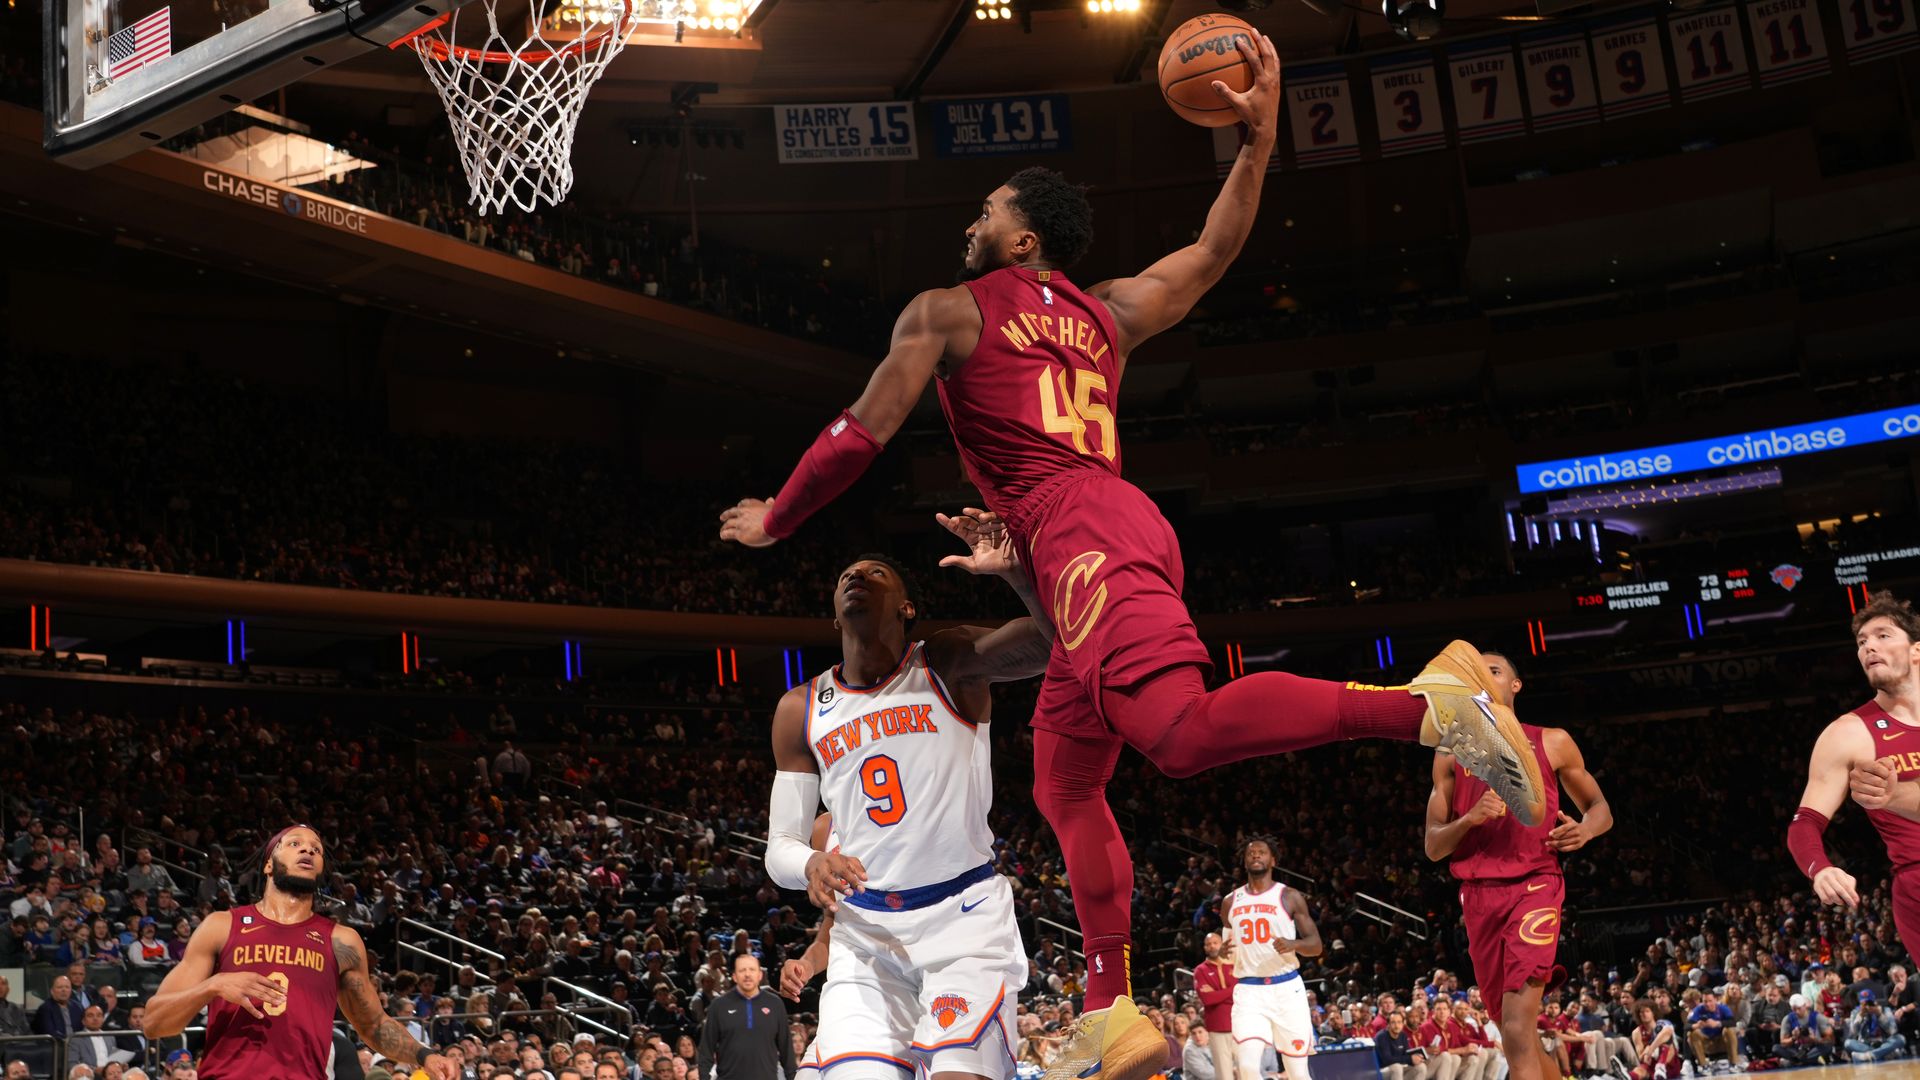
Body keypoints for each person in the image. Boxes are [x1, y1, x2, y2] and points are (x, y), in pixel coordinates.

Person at [719, 28, 1548, 1080]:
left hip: (1086, 537)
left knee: (1184, 738)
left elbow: (859, 432)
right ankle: (1112, 1011)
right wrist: (1256, 142)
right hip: (1093, 531)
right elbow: (1211, 253)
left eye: (990, 211)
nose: (975, 220)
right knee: (1065, 782)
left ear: (1023, 241)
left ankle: (1428, 707)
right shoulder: (1106, 313)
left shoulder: (947, 312)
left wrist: (777, 518)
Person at [762, 525, 1048, 1080]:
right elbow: (781, 847)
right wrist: (812, 862)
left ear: (907, 608)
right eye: (847, 574)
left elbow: (1055, 639)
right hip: (867, 937)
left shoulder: (947, 662)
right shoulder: (801, 709)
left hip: (961, 922)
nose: (856, 577)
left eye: (876, 574)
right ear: (834, 616)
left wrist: (1019, 576)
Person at [1425, 651, 1611, 1080]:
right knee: (1513, 1037)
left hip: (1535, 885)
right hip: (1478, 897)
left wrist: (1586, 830)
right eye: (1475, 673)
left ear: (1515, 685)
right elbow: (1434, 846)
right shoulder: (1449, 752)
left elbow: (1600, 807)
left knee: (1515, 1026)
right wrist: (1469, 819)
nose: (1484, 678)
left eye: (1494, 670)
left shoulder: (1552, 740)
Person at [142, 825, 456, 1080]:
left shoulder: (341, 941)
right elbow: (154, 1022)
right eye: (294, 844)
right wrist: (214, 985)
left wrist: (424, 1055)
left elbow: (373, 1025)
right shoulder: (222, 926)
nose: (307, 849)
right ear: (268, 863)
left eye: (316, 849)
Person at [1793, 593, 1920, 940]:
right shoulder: (1847, 734)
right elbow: (1804, 823)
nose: (1868, 647)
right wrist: (1820, 869)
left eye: (1883, 635)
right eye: (1862, 641)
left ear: (1916, 650)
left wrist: (1895, 795)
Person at [1221, 839, 1320, 1080]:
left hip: (1287, 990)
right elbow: (1228, 952)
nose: (1256, 855)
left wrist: (1293, 944)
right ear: (1244, 861)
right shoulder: (1230, 902)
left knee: (1298, 1072)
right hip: (1249, 991)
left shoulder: (1289, 896)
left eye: (1262, 852)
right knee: (1246, 1066)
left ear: (1273, 860)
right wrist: (1223, 954)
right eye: (1251, 853)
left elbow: (1316, 946)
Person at [695, 955, 793, 1080]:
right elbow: (706, 1051)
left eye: (752, 970)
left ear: (760, 975)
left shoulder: (775, 1004)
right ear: (734, 976)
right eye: (742, 970)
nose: (747, 974)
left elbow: (787, 1050)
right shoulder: (719, 1005)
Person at [1194, 933, 1238, 1080]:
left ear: (1222, 944)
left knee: (1247, 1070)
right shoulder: (1200, 970)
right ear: (1204, 948)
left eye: (1215, 942)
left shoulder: (1234, 964)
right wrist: (1232, 990)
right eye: (1208, 944)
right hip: (1217, 1027)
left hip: (1239, 1025)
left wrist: (1218, 993)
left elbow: (1242, 993)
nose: (1212, 946)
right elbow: (1207, 999)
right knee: (1224, 1074)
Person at [1844, 990, 1906, 1062]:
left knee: (1900, 1038)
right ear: (1860, 1003)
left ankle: (1870, 1055)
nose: (1867, 1006)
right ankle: (1883, 1054)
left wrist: (1880, 1015)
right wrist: (1860, 1016)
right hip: (1865, 1044)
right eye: (1864, 1004)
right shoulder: (1855, 1012)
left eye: (1870, 1003)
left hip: (1884, 1042)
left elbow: (1892, 1031)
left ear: (1875, 1001)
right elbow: (1852, 1035)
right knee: (1848, 1043)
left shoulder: (1885, 1010)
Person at [1683, 991, 1737, 1073]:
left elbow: (1733, 1022)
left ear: (1715, 1000)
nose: (1708, 1004)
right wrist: (1696, 1025)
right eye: (1705, 1001)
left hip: (1721, 1041)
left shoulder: (1723, 1008)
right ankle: (1704, 1066)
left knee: (1729, 1030)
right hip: (1706, 1042)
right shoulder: (1698, 1010)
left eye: (1710, 1001)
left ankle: (1733, 1064)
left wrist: (1717, 1024)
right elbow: (1687, 1026)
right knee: (1691, 1034)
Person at [1776, 994, 1833, 1067]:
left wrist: (1815, 1039)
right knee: (1776, 1048)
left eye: (1799, 1008)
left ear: (1805, 1005)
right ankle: (1809, 1060)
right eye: (1794, 1009)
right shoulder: (1787, 1019)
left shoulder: (1818, 1017)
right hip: (1797, 1049)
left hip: (1814, 1048)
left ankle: (1797, 1061)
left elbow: (1830, 1040)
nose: (1797, 1011)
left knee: (1827, 1047)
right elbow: (1783, 1043)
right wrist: (1793, 1038)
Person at [1626, 1006, 1676, 1080]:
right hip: (1650, 1063)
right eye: (1641, 1012)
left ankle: (1661, 1067)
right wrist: (1646, 1052)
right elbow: (1640, 1057)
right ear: (1638, 1015)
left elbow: (1668, 1031)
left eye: (1647, 1011)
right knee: (1639, 1070)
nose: (1644, 1014)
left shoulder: (1662, 1024)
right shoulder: (1636, 1032)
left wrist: (1650, 1049)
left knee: (1666, 1042)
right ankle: (1627, 1077)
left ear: (1653, 1013)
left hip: (1668, 1062)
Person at [1375, 1011, 1428, 1080]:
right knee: (1397, 1067)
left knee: (1421, 1067)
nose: (1397, 1026)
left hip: (1399, 1070)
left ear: (1403, 1024)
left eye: (1399, 1022)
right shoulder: (1381, 1036)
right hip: (1383, 1071)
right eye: (1393, 1022)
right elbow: (1387, 1060)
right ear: (1388, 1024)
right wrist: (1410, 1059)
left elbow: (1406, 1054)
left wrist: (1416, 1057)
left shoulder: (1403, 1035)